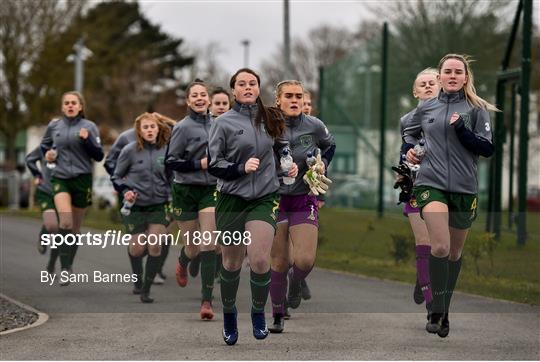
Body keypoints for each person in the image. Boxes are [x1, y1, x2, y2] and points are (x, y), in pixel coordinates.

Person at [403, 54, 496, 338]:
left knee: (454, 253)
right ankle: (435, 308)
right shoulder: (425, 107)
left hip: (464, 189)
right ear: (440, 77)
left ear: (466, 78)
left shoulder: (477, 109)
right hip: (430, 184)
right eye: (448, 72)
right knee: (440, 247)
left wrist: (462, 129)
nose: (453, 76)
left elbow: (486, 148)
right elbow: (408, 131)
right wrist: (408, 152)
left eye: (458, 72)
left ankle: (444, 307)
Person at [207, 68, 298, 345]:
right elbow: (214, 164)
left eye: (253, 83)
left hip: (264, 197)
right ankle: (230, 315)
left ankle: (258, 312)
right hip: (231, 198)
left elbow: (282, 146)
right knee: (232, 261)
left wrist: (288, 165)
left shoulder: (271, 117)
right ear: (233, 90)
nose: (248, 87)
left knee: (259, 259)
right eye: (242, 84)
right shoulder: (222, 123)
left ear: (259, 88)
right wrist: (239, 168)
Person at [268, 80, 335, 333]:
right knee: (280, 260)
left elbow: (330, 145)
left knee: (305, 260)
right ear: (278, 100)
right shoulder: (268, 126)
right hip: (273, 198)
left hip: (302, 197)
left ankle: (295, 284)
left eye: (298, 96)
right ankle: (276, 314)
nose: (294, 100)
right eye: (289, 96)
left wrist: (322, 164)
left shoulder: (314, 125)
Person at [165, 79, 219, 320]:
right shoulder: (182, 128)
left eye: (202, 94)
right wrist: (199, 164)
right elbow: (171, 161)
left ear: (208, 99)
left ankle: (206, 301)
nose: (199, 98)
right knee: (194, 247)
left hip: (210, 190)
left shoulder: (219, 124)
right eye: (194, 95)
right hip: (185, 190)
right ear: (188, 101)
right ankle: (183, 259)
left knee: (209, 243)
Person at [40, 91, 104, 285]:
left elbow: (99, 155)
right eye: (66, 103)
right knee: (65, 222)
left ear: (80, 106)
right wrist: (48, 154)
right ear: (62, 107)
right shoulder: (54, 126)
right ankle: (66, 267)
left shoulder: (89, 127)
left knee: (74, 229)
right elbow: (44, 147)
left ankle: (54, 261)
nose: (70, 106)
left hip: (82, 180)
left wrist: (87, 140)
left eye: (73, 103)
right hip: (61, 178)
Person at [112, 112, 172, 303]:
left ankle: (146, 290)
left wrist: (172, 197)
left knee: (155, 245)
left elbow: (173, 178)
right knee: (138, 248)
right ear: (139, 130)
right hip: (135, 206)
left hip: (159, 205)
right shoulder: (129, 150)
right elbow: (116, 176)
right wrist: (125, 190)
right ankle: (138, 281)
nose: (149, 130)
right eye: (145, 127)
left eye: (152, 126)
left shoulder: (166, 150)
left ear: (158, 128)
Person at [398, 68, 440, 313]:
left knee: (440, 247)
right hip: (417, 186)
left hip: (446, 186)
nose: (427, 86)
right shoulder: (408, 119)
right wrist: (404, 166)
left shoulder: (453, 115)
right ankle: (431, 305)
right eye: (421, 84)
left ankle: (421, 277)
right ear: (415, 91)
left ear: (441, 87)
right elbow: (406, 149)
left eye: (431, 83)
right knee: (424, 242)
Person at [25, 145, 59, 275]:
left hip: (65, 193)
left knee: (60, 232)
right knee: (52, 226)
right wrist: (37, 175)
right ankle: (43, 236)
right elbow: (29, 160)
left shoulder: (70, 147)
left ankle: (51, 264)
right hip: (46, 191)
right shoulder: (44, 147)